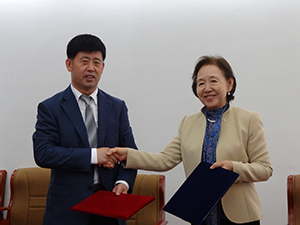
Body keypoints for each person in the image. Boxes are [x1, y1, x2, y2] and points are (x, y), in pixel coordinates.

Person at [108, 56, 273, 225]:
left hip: (240, 217)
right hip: (200, 214)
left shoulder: (249, 119)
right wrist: (127, 155)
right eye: (201, 83)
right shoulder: (188, 122)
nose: (207, 88)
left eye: (213, 81)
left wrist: (233, 168)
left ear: (229, 84)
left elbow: (265, 169)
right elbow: (164, 160)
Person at [32, 34, 137, 225]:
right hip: (67, 210)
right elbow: (43, 153)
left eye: (97, 62)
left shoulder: (117, 106)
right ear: (69, 64)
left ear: (103, 67)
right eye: (84, 61)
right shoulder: (51, 107)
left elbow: (130, 153)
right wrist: (95, 156)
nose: (91, 68)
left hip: (109, 208)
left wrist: (123, 182)